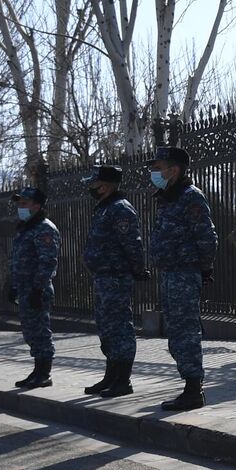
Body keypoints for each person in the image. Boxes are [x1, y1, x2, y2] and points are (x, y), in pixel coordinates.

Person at [147, 147, 218, 412]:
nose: (154, 173)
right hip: (169, 273)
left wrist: (204, 268)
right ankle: (189, 385)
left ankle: (193, 389)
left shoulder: (191, 197)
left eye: (158, 167)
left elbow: (207, 237)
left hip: (185, 273)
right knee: (176, 332)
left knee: (186, 331)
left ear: (173, 170)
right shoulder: (167, 198)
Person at [80, 166, 145, 399]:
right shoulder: (105, 209)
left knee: (120, 328)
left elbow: (132, 243)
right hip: (103, 277)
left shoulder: (120, 209)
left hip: (116, 277)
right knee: (106, 328)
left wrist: (138, 269)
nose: (91, 189)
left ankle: (123, 380)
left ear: (105, 186)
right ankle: (111, 376)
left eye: (94, 184)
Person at [7, 187, 61, 389]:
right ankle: (37, 371)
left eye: (24, 203)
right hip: (24, 288)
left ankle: (44, 373)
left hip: (37, 289)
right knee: (30, 331)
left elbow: (48, 262)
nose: (20, 207)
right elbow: (18, 261)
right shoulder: (26, 228)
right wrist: (13, 286)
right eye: (19, 203)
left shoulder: (44, 229)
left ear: (36, 206)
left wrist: (38, 289)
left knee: (40, 331)